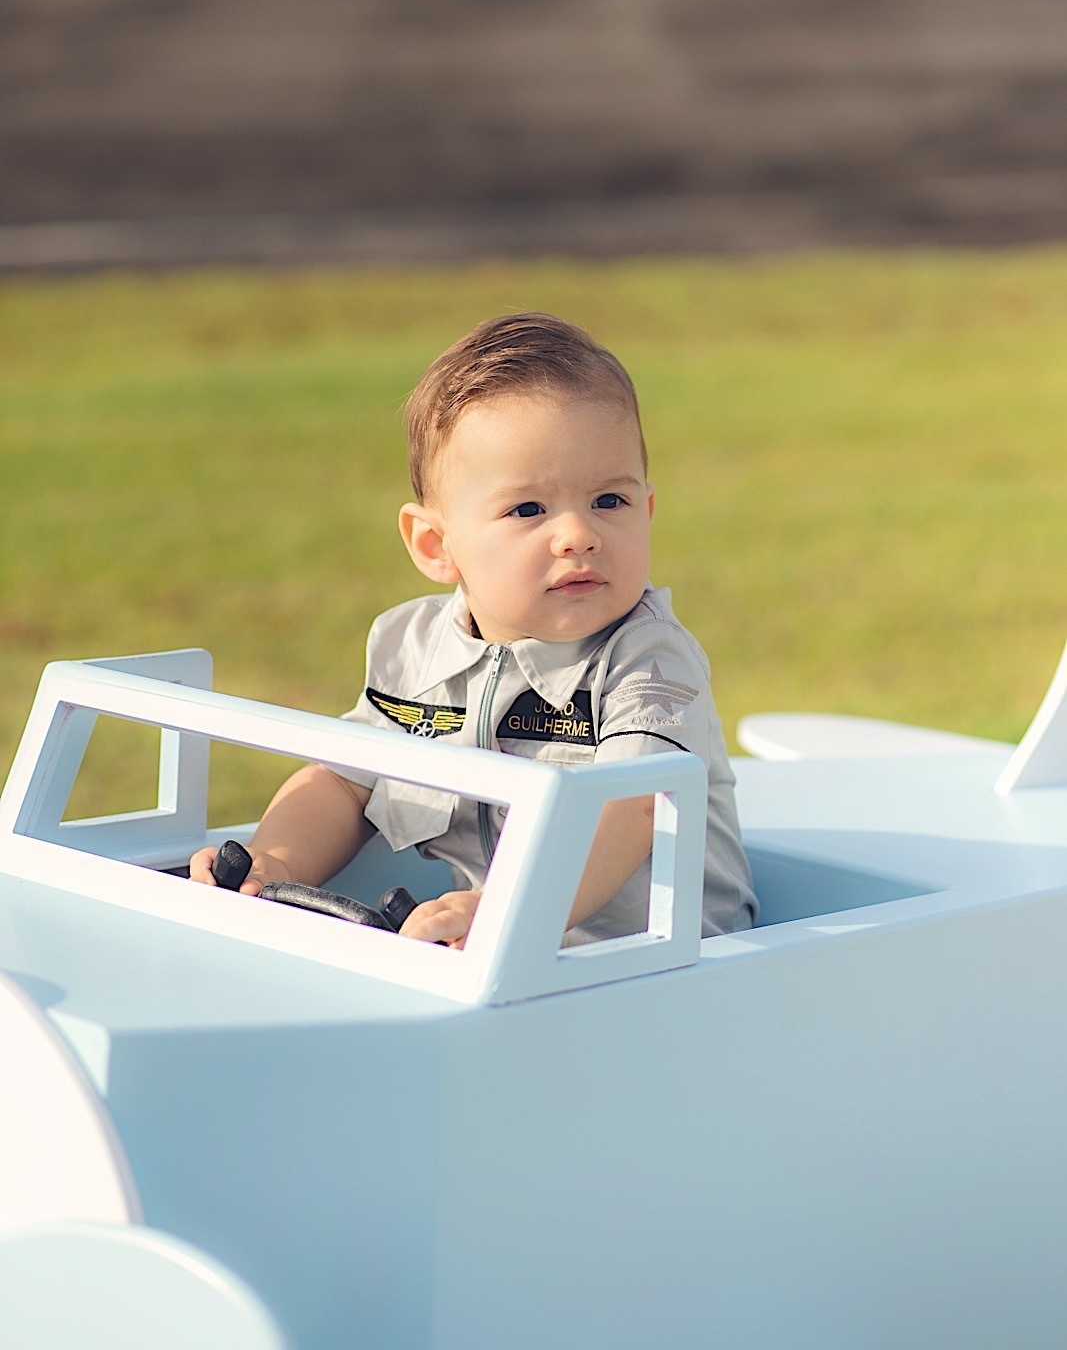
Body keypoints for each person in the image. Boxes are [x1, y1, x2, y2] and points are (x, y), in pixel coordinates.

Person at [190, 313, 756, 946]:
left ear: (647, 511)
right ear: (436, 545)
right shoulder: (414, 651)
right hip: (510, 944)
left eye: (609, 501)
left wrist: (511, 909)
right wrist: (276, 862)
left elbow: (629, 808)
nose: (578, 534)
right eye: (528, 509)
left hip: (673, 961)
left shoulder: (647, 659)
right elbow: (346, 779)